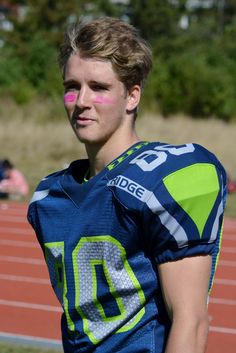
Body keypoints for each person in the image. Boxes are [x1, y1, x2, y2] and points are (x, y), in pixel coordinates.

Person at [27, 17, 227, 353]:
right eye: (72, 86)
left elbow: (190, 321)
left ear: (132, 96)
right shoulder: (50, 197)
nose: (81, 101)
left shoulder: (164, 178)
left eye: (99, 88)